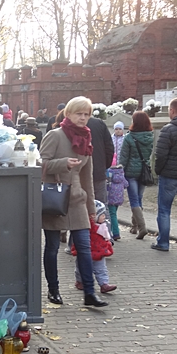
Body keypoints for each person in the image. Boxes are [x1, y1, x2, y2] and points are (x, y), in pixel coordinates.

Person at [39, 96, 108, 307]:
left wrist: (91, 208)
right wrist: (62, 164)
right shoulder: (55, 135)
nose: (83, 118)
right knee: (52, 247)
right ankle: (53, 290)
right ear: (68, 114)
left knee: (85, 248)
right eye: (79, 113)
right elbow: (40, 164)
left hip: (78, 200)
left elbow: (87, 176)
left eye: (87, 114)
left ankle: (89, 293)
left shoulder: (87, 138)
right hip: (54, 200)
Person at [151, 97, 177, 251]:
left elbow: (160, 155)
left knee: (164, 210)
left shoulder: (168, 129)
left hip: (169, 176)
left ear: (172, 111)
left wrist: (158, 171)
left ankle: (163, 242)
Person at [118, 111, 154, 240]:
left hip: (131, 172)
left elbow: (123, 157)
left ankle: (142, 227)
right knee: (139, 198)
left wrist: (120, 169)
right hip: (144, 172)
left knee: (134, 200)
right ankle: (134, 227)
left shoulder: (129, 137)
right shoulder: (150, 137)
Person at [72, 200, 117, 293]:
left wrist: (107, 246)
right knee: (80, 268)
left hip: (99, 253)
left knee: (101, 269)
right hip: (86, 252)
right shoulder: (88, 227)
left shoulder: (103, 226)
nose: (105, 217)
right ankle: (80, 281)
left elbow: (106, 238)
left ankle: (104, 284)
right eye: (102, 215)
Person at [87, 115, 114, 206]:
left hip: (78, 174)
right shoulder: (99, 123)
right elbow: (109, 147)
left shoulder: (70, 125)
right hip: (98, 170)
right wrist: (104, 165)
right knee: (101, 206)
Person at [107, 164, 128, 240]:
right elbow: (126, 184)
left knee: (112, 215)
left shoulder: (109, 172)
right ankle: (113, 231)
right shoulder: (121, 173)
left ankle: (116, 233)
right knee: (114, 214)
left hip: (110, 197)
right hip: (119, 197)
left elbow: (106, 184)